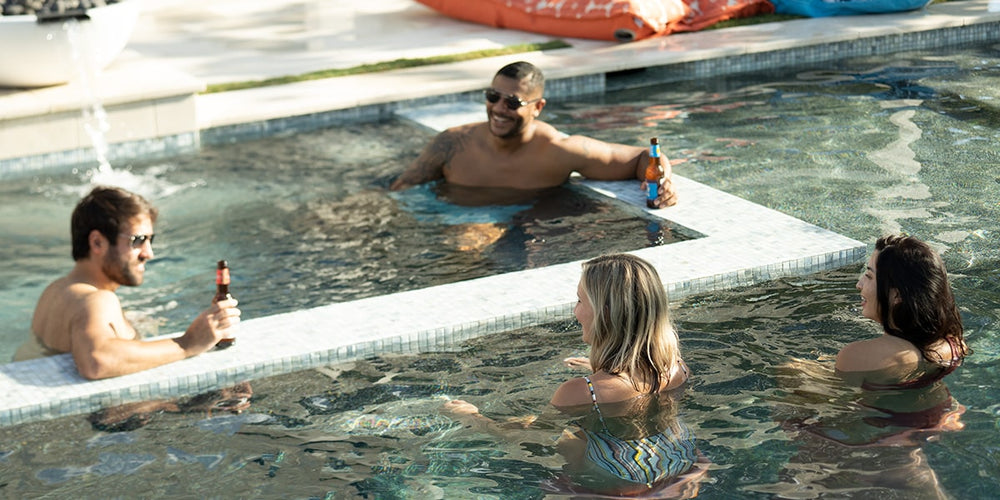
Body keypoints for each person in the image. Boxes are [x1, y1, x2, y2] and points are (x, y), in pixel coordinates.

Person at [445, 254, 708, 497]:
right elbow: (637, 395)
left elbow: (531, 441)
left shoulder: (582, 392)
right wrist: (601, 372)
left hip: (619, 480)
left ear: (606, 313)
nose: (575, 311)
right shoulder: (676, 367)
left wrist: (473, 417)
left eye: (580, 301)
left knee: (547, 432)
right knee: (579, 434)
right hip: (675, 458)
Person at [16, 186, 241, 380]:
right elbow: (97, 360)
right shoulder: (97, 300)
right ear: (97, 242)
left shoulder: (57, 289)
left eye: (150, 240)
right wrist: (188, 343)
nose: (148, 253)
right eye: (138, 240)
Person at [390, 61, 679, 209]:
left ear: (538, 107)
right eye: (493, 97)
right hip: (449, 220)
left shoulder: (559, 151)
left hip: (522, 229)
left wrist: (663, 182)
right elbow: (403, 187)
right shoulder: (452, 143)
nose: (499, 109)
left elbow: (644, 156)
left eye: (513, 102)